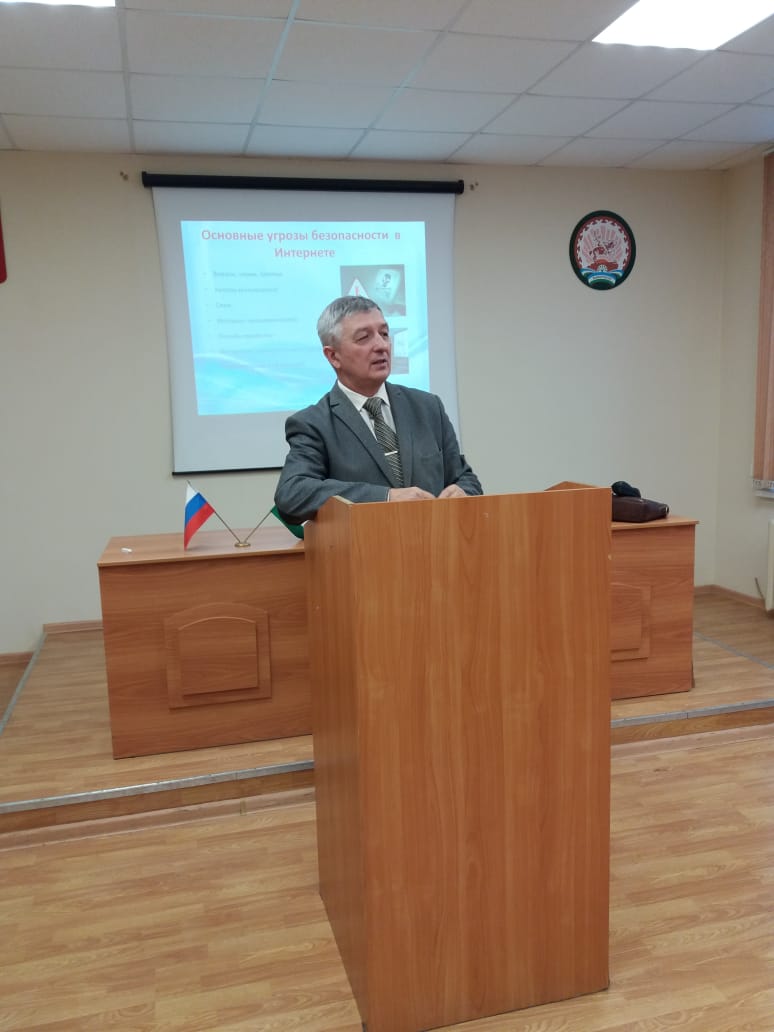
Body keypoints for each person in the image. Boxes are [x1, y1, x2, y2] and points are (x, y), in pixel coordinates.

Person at [274, 295, 482, 525]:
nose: (381, 345)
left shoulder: (428, 407)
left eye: (384, 334)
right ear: (333, 356)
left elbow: (466, 479)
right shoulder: (313, 423)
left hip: (435, 542)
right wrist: (386, 497)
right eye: (364, 338)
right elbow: (292, 494)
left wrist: (464, 492)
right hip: (365, 545)